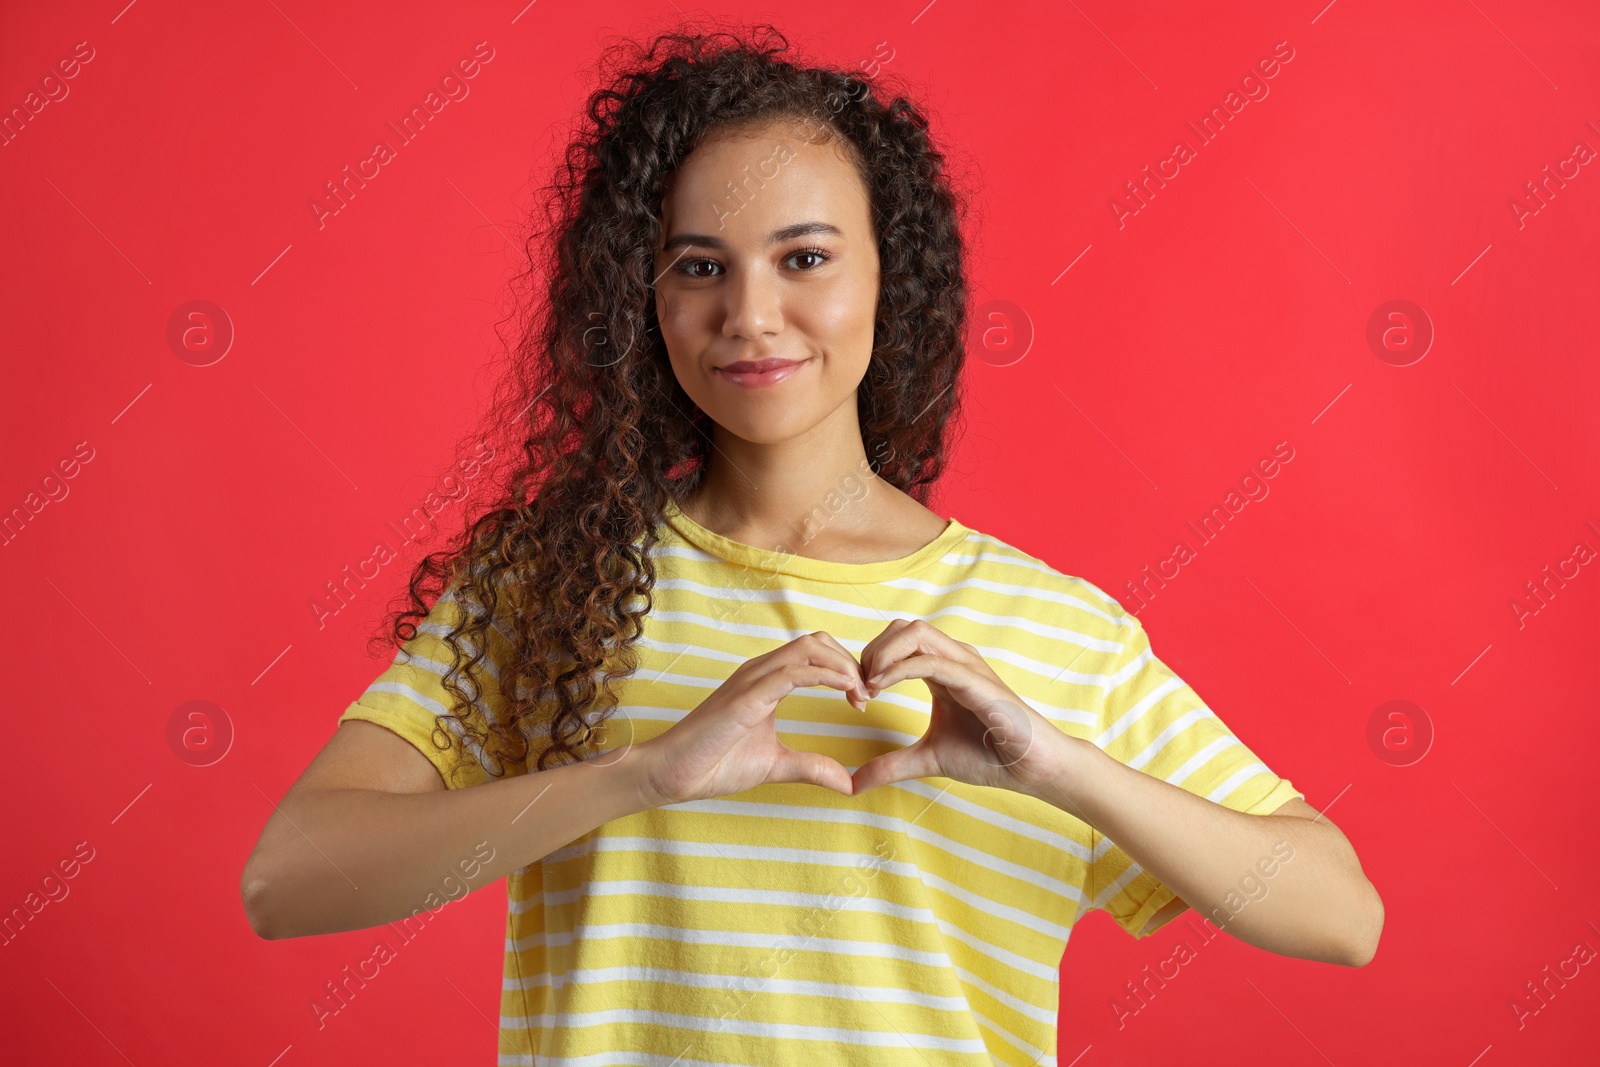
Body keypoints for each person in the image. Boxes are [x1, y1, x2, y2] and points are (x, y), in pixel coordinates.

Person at [241, 23, 1382, 1065]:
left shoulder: (1053, 631)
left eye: (804, 258)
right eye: (699, 266)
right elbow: (288, 879)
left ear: (893, 276)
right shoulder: (553, 587)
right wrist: (643, 774)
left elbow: (1340, 912)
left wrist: (1055, 763)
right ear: (642, 296)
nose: (749, 314)